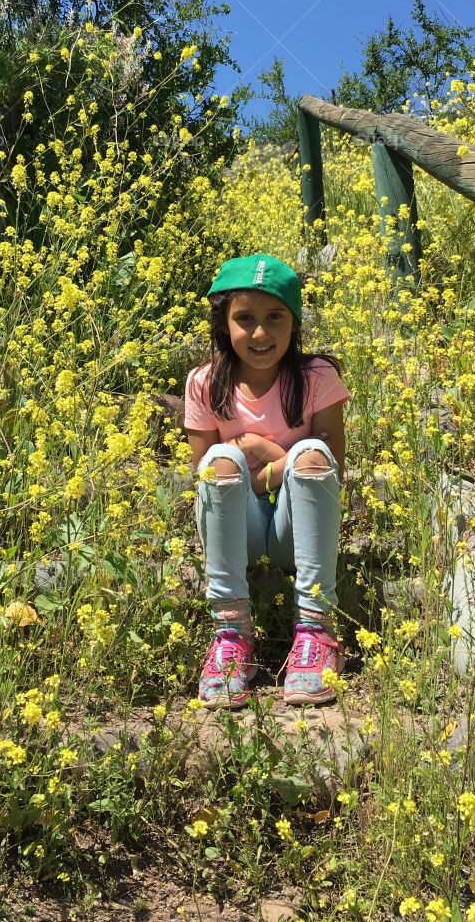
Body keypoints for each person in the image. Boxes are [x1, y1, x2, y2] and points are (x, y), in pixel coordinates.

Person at [184, 253, 350, 708]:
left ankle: (317, 630)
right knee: (220, 457)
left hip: (295, 532)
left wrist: (263, 451)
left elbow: (329, 468)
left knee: (309, 454)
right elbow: (209, 478)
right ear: (225, 323)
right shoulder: (204, 382)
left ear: (294, 323)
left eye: (275, 317)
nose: (260, 333)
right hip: (241, 531)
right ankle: (231, 633)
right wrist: (267, 465)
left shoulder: (317, 377)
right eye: (245, 319)